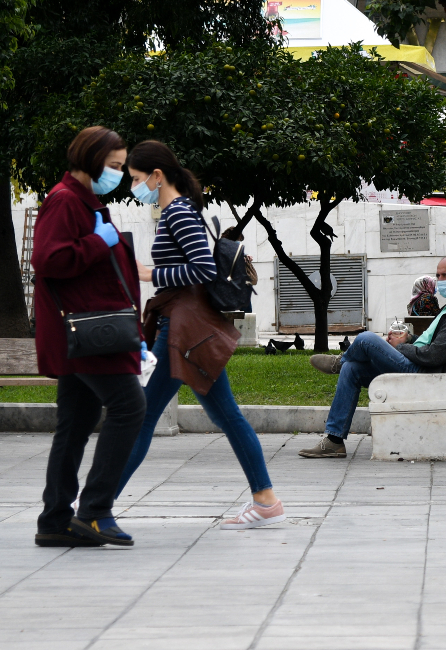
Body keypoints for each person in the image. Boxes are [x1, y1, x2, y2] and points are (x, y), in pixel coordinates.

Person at [115, 140, 286, 530]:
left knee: (141, 417)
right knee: (225, 414)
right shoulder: (177, 211)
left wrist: (150, 274)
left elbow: (204, 269)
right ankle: (266, 501)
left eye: (138, 179)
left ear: (157, 176)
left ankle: (97, 506)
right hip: (186, 328)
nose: (135, 188)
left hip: (180, 328)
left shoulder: (177, 213)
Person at [32, 126, 147, 547]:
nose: (117, 174)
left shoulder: (86, 202)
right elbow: (47, 260)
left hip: (88, 332)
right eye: (114, 166)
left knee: (75, 424)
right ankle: (95, 511)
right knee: (129, 407)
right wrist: (97, 243)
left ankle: (55, 520)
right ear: (91, 158)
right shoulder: (65, 201)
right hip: (88, 333)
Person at [300, 255, 446, 458]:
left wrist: (401, 347)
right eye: (438, 275)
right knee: (352, 369)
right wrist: (409, 339)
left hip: (425, 372)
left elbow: (434, 356)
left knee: (365, 339)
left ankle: (339, 361)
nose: (440, 281)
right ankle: (334, 441)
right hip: (421, 365)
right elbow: (437, 343)